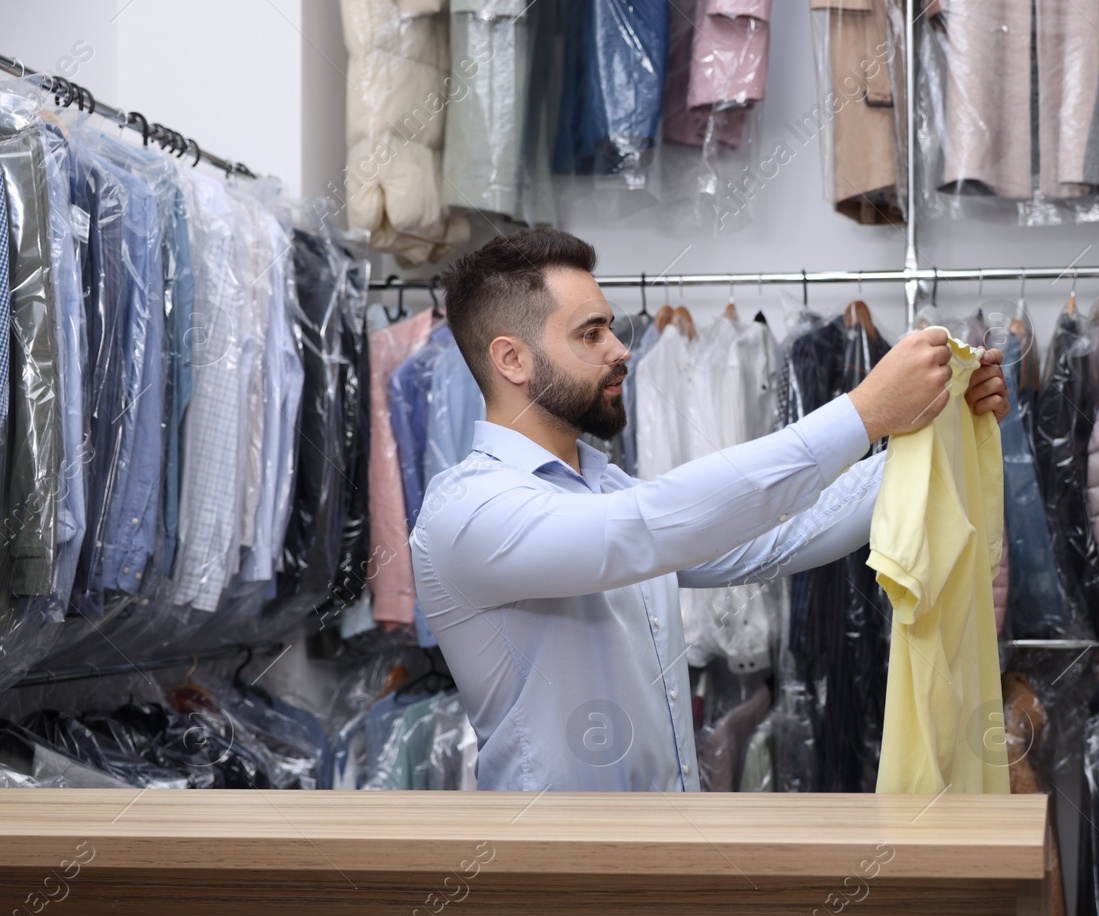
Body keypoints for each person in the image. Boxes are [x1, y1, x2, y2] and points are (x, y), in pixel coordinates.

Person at [410, 227, 1010, 791]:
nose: (622, 350)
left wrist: (939, 425)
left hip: (664, 861)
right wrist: (863, 412)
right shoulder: (467, 513)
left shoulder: (606, 488)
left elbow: (780, 537)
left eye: (610, 329)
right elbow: (647, 527)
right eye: (591, 334)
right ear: (511, 360)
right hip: (554, 878)